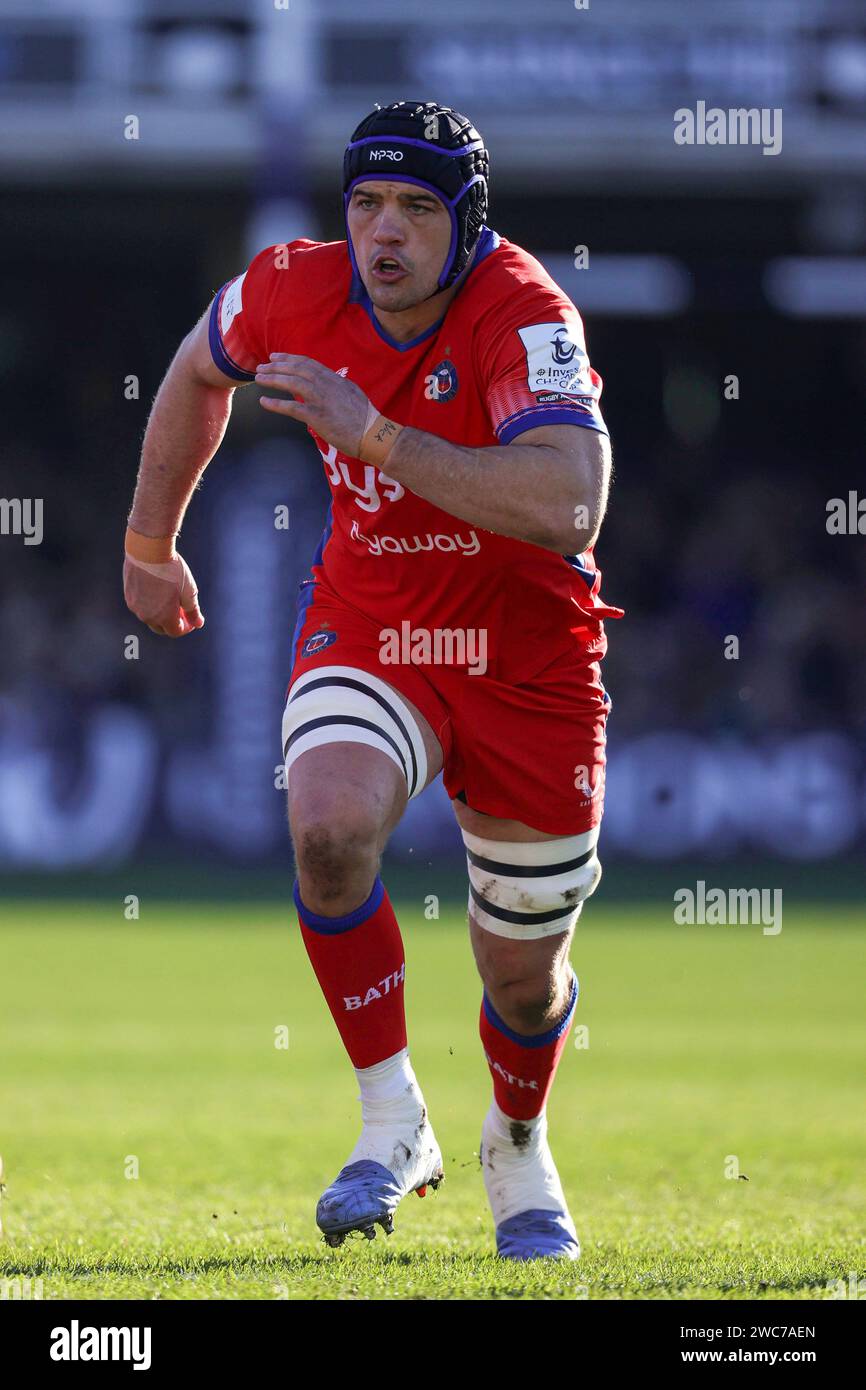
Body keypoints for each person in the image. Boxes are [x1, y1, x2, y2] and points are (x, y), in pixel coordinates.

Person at [123, 99, 623, 1260]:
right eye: (363, 204)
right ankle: (392, 1119)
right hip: (376, 625)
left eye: (412, 208)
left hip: (526, 658)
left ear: (465, 223)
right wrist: (149, 547)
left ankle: (514, 1137)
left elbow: (567, 504)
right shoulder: (295, 288)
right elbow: (196, 373)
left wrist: (377, 435)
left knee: (521, 976)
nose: (383, 232)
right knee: (330, 826)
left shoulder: (526, 313)